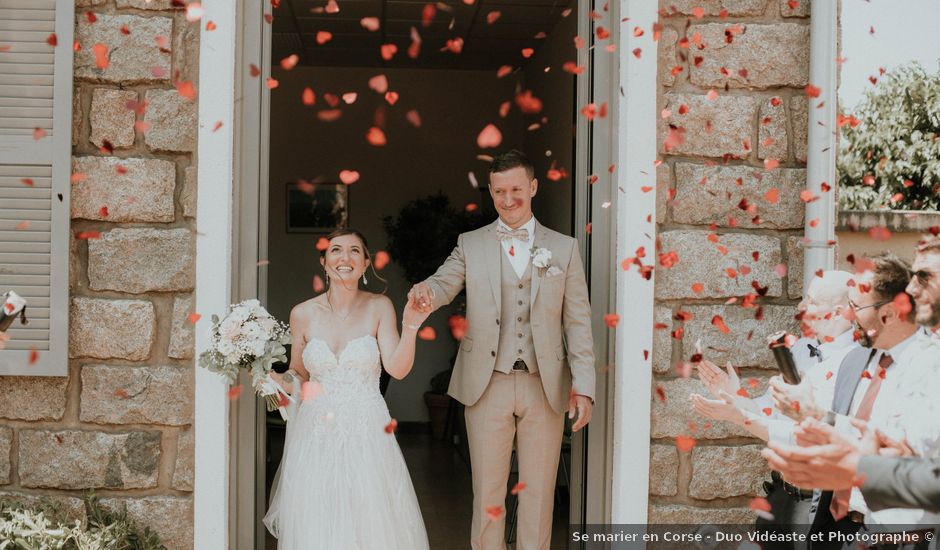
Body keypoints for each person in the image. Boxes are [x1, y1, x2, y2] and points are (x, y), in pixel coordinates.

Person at [409, 149, 596, 550]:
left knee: (539, 494)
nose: (507, 199)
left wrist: (584, 386)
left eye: (515, 189)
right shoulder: (470, 244)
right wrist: (427, 292)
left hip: (544, 385)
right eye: (498, 192)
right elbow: (444, 283)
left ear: (532, 187)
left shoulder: (563, 249)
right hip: (486, 383)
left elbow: (577, 323)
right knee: (489, 495)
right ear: (490, 192)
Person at [263, 228, 431, 550]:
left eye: (355, 251)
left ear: (366, 263)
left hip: (367, 431)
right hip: (317, 435)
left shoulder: (380, 307)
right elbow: (298, 373)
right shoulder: (302, 313)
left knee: (369, 521)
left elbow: (397, 367)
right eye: (336, 250)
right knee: (319, 521)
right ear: (324, 261)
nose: (345, 257)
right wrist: (272, 377)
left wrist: (411, 326)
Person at [765, 234, 940, 534]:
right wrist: (816, 417)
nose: (911, 288)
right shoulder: (896, 359)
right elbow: (887, 442)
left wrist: (858, 468)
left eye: (924, 278)